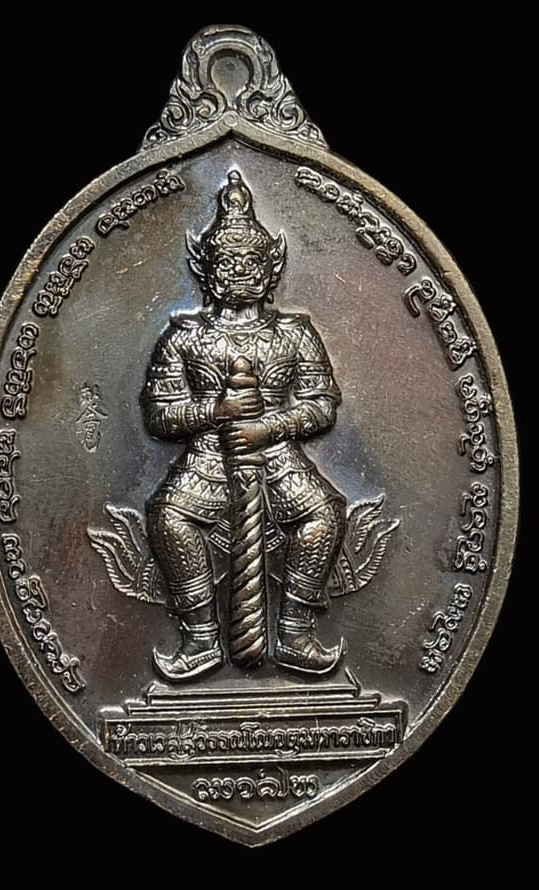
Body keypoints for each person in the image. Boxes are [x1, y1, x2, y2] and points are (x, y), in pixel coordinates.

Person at [142, 170, 346, 681]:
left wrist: (268, 428)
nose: (239, 272)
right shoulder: (185, 337)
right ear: (207, 272)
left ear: (270, 268)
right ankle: (201, 637)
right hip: (208, 456)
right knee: (167, 517)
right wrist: (216, 412)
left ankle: (295, 632)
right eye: (227, 264)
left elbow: (321, 405)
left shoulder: (294, 334)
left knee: (324, 515)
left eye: (250, 262)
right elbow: (160, 414)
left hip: (275, 453)